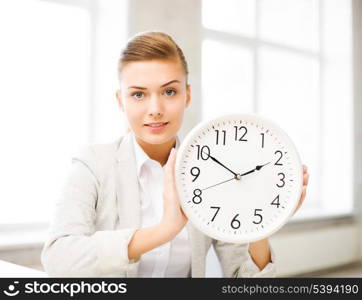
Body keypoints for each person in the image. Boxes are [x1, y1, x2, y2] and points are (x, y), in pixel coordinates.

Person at [41, 31, 309, 277]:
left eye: (169, 91)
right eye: (138, 95)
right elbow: (58, 260)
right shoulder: (93, 164)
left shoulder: (217, 171)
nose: (155, 108)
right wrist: (163, 231)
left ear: (187, 96)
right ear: (120, 101)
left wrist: (263, 226)